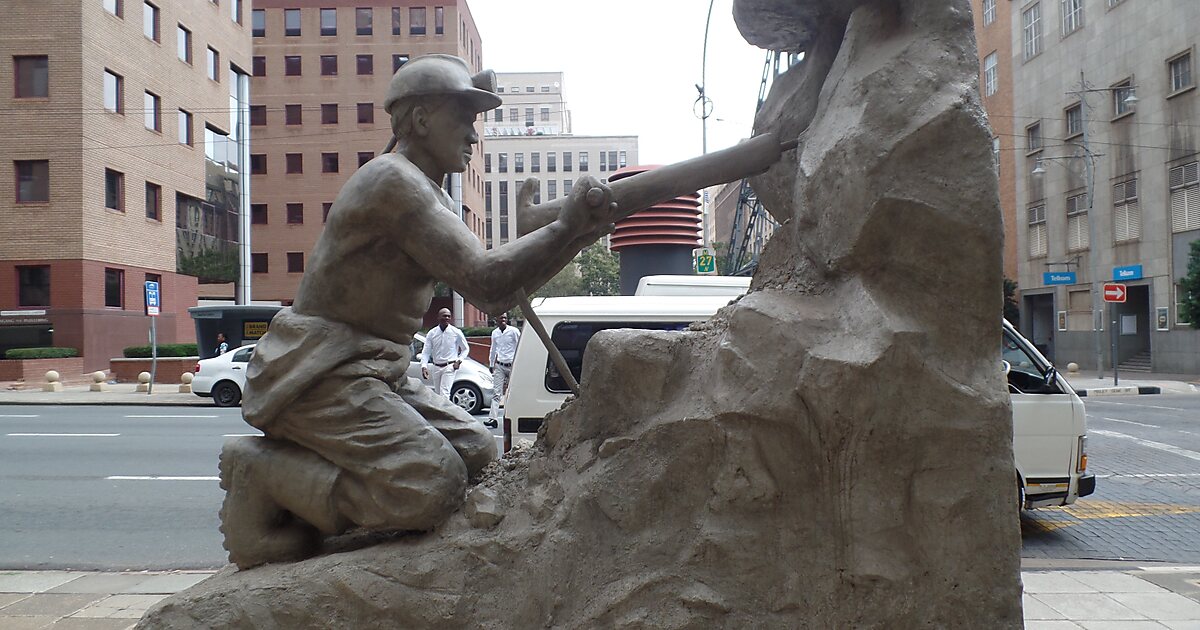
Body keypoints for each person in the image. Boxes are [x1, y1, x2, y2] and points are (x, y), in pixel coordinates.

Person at [216, 54, 620, 570]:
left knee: (478, 449)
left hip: (372, 367)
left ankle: (305, 488)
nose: (473, 136)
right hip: (321, 371)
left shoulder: (423, 191)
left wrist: (578, 233)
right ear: (423, 119)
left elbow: (497, 289)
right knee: (433, 483)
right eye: (464, 119)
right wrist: (568, 229)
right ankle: (263, 473)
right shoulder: (392, 183)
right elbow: (488, 282)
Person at [420, 308, 468, 400]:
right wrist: (424, 366)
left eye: (448, 316)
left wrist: (459, 360)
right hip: (436, 367)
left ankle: (445, 413)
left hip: (449, 366)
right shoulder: (432, 333)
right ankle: (442, 412)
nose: (446, 318)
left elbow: (465, 349)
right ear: (438, 317)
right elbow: (426, 351)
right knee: (438, 395)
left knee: (444, 393)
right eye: (444, 316)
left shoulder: (456, 332)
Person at [487, 313, 520, 428]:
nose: (503, 320)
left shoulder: (514, 331)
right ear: (497, 320)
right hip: (500, 365)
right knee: (496, 393)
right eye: (501, 318)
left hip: (512, 364)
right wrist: (491, 363)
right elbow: (493, 349)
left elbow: (519, 347)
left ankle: (513, 415)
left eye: (505, 318)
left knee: (513, 391)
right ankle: (493, 418)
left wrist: (518, 363)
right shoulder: (495, 333)